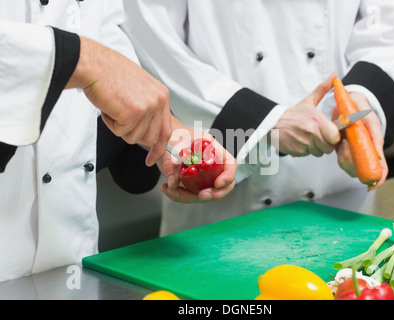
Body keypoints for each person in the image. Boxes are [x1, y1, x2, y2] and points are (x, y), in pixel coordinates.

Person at [122, 0, 394, 236]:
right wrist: (261, 122)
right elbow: (149, 38)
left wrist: (364, 98)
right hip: (220, 205)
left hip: (340, 195)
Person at [0, 0, 236, 283]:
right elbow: (92, 57)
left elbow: (101, 27)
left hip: (72, 255)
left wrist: (168, 131)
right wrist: (82, 59)